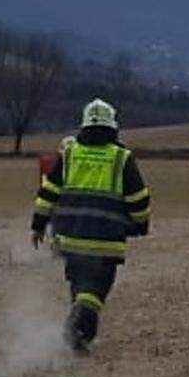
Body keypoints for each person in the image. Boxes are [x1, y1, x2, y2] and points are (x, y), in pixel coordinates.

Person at [31, 99, 151, 355]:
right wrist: (140, 223)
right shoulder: (121, 157)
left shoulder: (71, 153)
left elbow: (48, 192)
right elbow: (138, 198)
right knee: (95, 290)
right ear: (113, 126)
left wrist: (38, 224)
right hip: (105, 241)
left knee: (80, 283)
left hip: (69, 237)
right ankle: (76, 331)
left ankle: (78, 337)